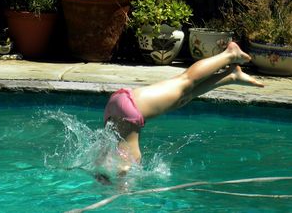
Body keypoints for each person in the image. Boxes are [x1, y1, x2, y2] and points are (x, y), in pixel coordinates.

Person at [103, 41, 264, 175]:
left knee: (185, 82)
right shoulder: (106, 157)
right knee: (183, 98)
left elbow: (129, 164)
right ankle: (231, 75)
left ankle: (229, 54)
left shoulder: (122, 156)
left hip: (129, 108)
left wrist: (122, 189)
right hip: (118, 105)